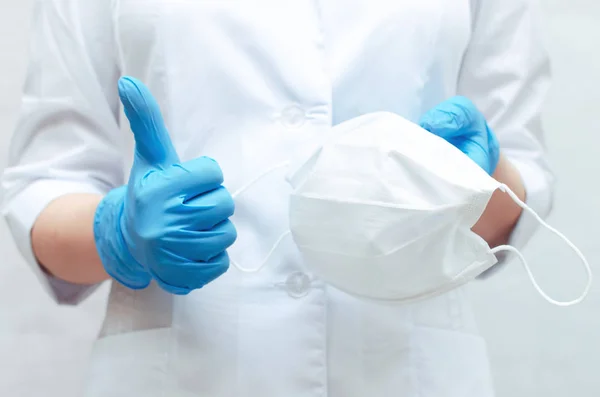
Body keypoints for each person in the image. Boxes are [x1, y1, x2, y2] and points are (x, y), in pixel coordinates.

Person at [1, 0, 555, 396]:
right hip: (183, 371)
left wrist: (477, 181)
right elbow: (45, 180)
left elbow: (519, 190)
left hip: (403, 369)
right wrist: (116, 232)